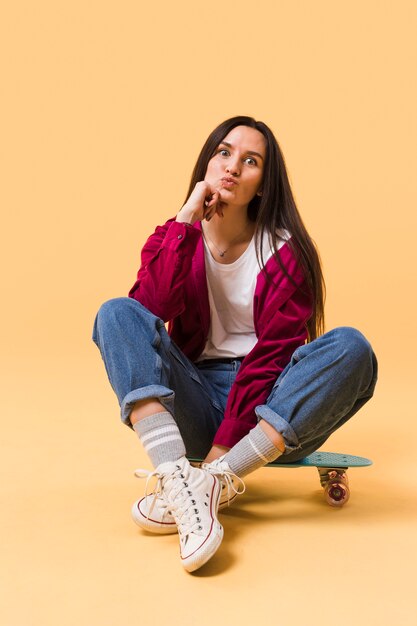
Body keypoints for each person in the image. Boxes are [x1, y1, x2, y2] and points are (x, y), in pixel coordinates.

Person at [92, 115, 378, 573]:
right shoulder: (173, 237)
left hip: (271, 411)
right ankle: (176, 476)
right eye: (223, 153)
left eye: (250, 161)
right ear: (206, 162)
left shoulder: (285, 251)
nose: (232, 167)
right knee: (116, 312)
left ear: (263, 184)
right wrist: (185, 219)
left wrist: (224, 452)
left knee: (352, 347)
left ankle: (214, 483)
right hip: (194, 398)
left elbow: (270, 360)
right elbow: (151, 310)